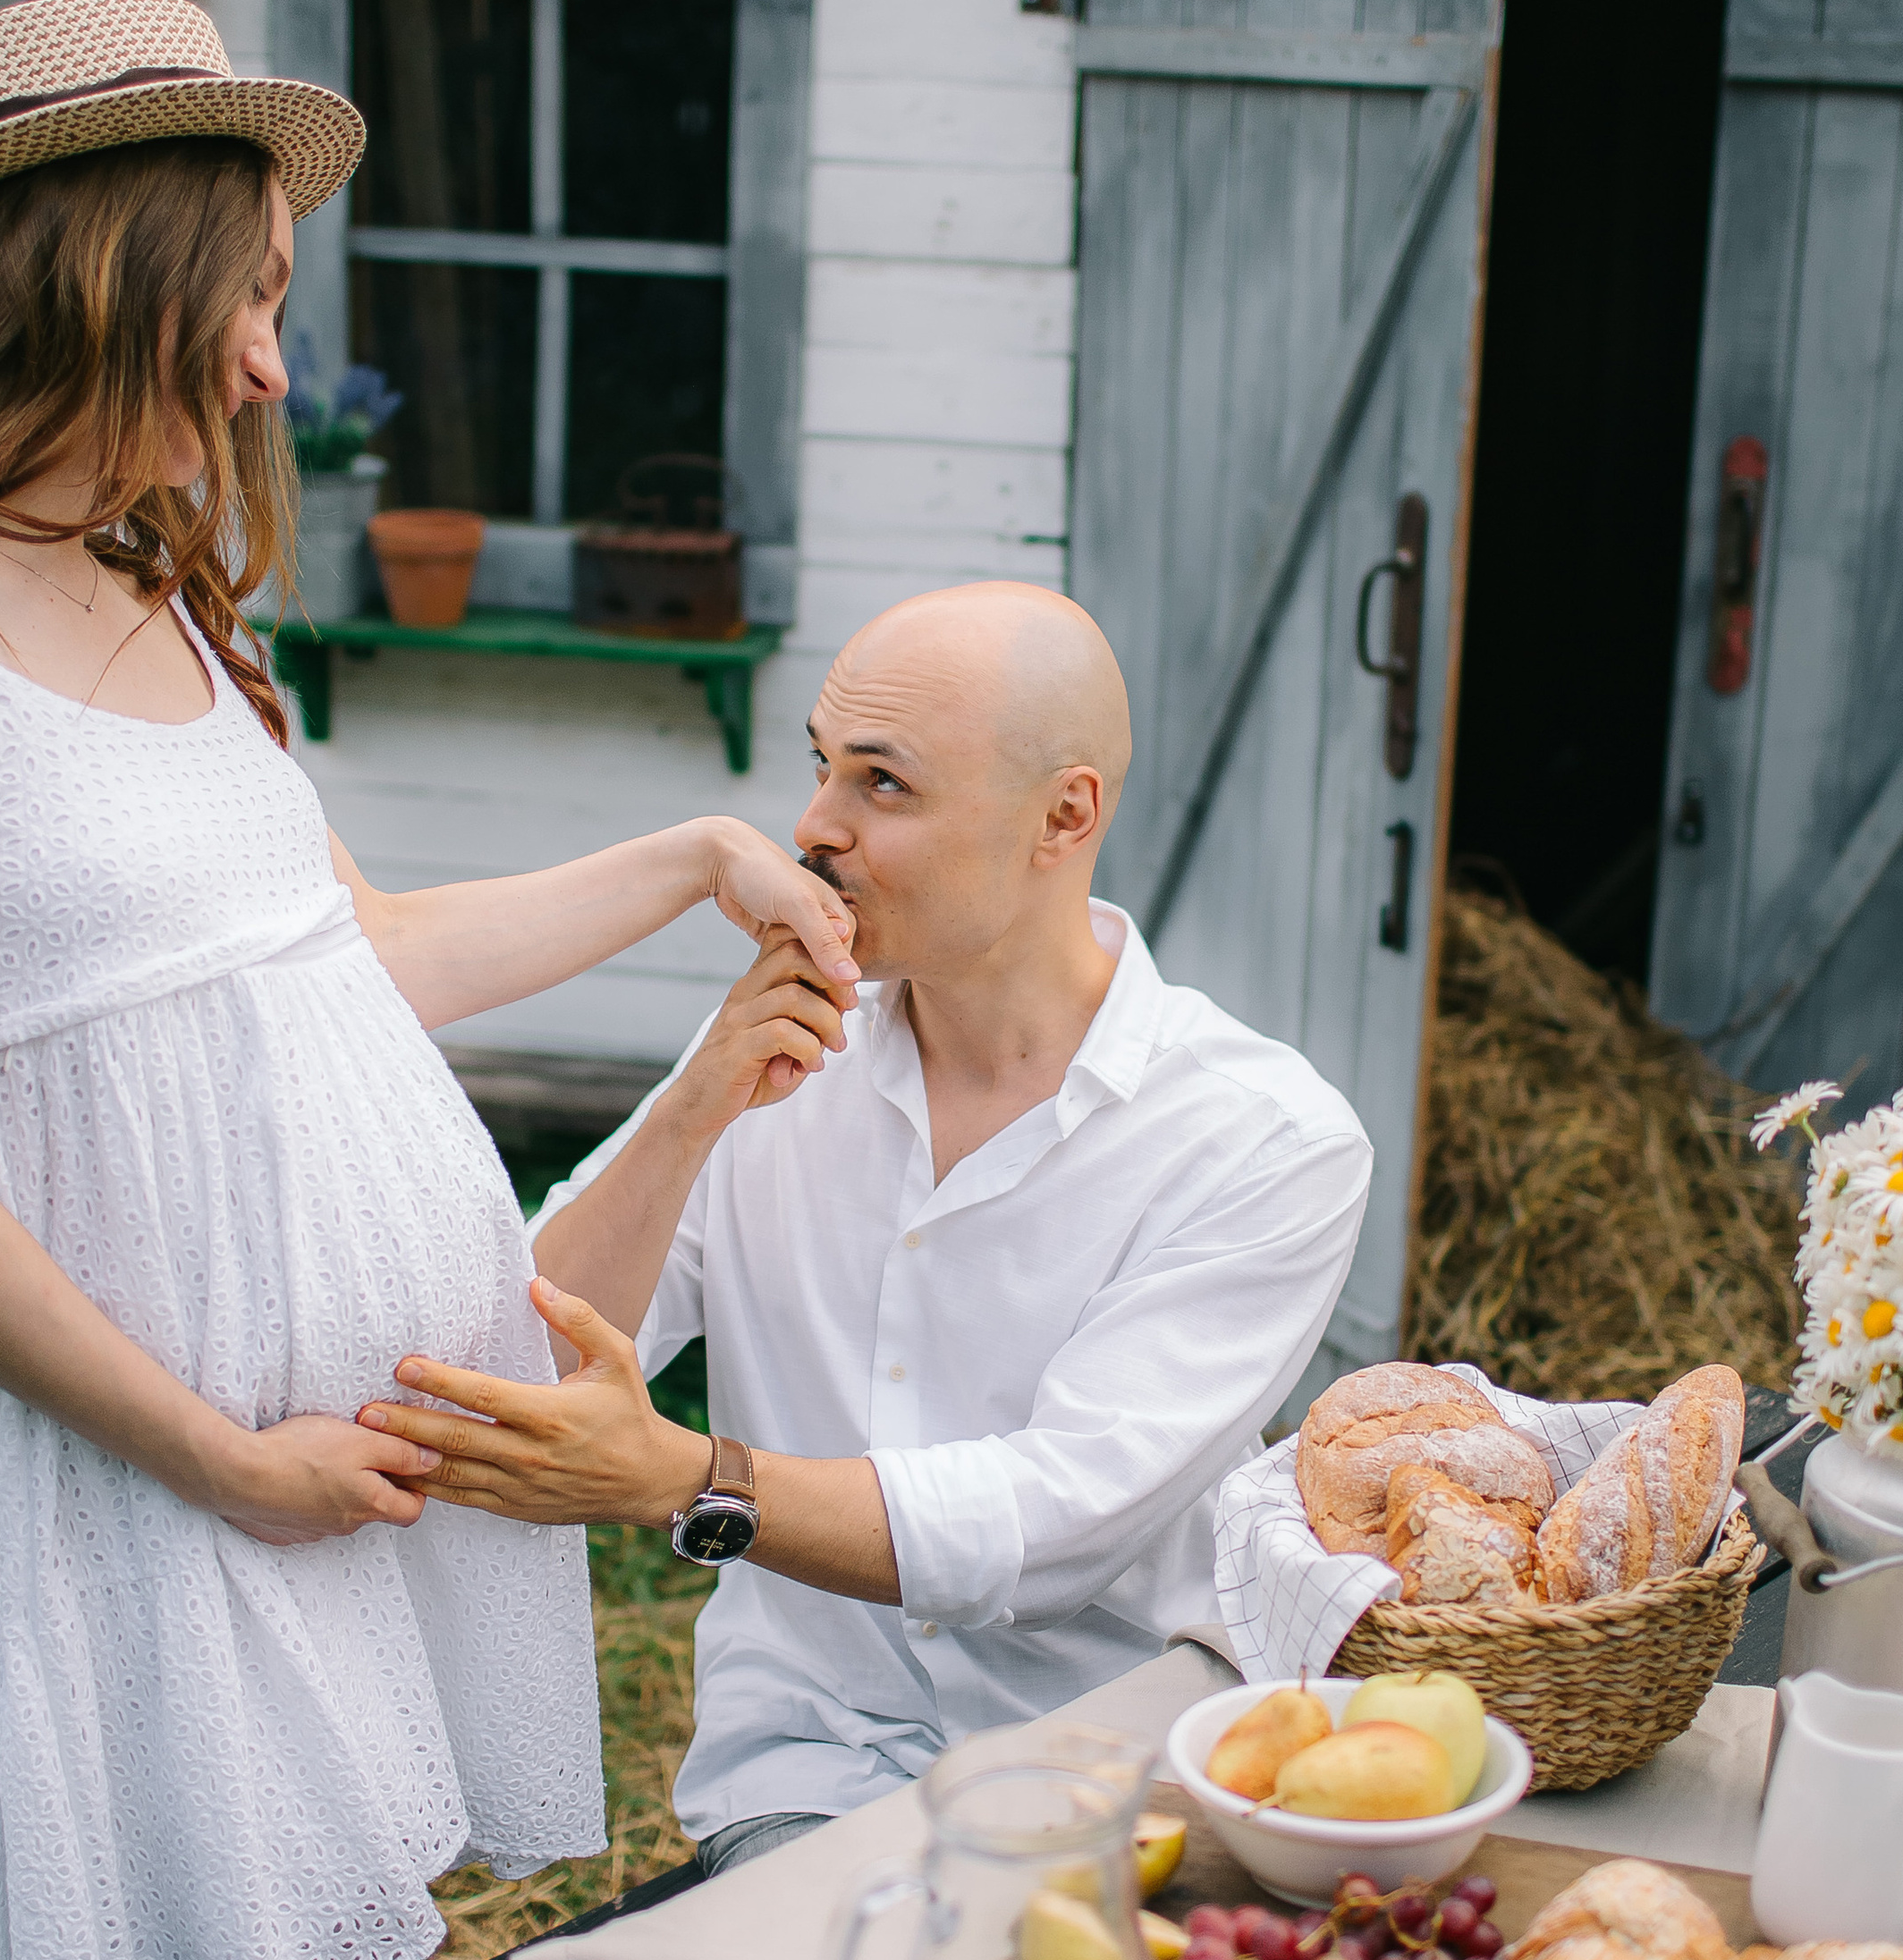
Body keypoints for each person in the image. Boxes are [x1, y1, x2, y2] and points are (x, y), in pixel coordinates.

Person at [0, 0, 857, 1960]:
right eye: (246, 302)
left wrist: (694, 861)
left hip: (289, 1487)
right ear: (90, 281)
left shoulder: (163, 605)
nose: (270, 371)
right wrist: (222, 1459)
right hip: (119, 1487)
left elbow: (346, 956)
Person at [359, 582, 1371, 1875]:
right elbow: (518, 1371)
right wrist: (690, 1115)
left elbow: (1057, 1521)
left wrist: (690, 1480)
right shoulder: (772, 1057)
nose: (814, 828)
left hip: (1127, 1779)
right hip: (809, 1766)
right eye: (821, 765)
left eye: (883, 783)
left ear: (1064, 817)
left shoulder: (1266, 1138)